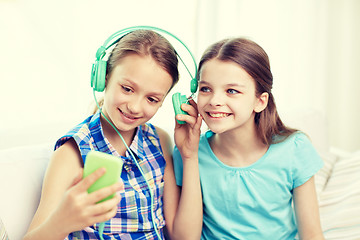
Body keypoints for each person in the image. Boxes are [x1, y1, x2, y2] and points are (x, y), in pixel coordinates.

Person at [24, 28, 201, 240]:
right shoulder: (72, 153)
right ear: (104, 78)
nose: (135, 107)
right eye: (127, 88)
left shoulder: (160, 140)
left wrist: (189, 155)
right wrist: (62, 220)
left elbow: (184, 237)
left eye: (152, 99)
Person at [173, 37, 325, 239]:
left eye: (232, 91)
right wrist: (189, 157)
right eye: (205, 89)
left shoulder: (294, 149)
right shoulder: (188, 152)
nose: (215, 101)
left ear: (260, 101)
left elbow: (312, 234)